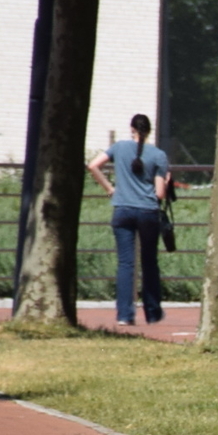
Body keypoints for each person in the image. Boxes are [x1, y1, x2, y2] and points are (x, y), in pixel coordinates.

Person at [87, 114, 170, 325]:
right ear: (149, 131)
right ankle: (152, 313)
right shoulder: (158, 155)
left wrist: (110, 189)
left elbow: (93, 165)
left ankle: (124, 315)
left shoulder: (118, 147)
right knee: (149, 262)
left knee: (126, 263)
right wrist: (166, 182)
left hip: (122, 209)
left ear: (131, 128)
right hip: (147, 211)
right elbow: (159, 194)